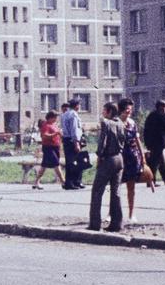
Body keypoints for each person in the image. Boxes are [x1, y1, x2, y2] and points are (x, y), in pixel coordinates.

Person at [87, 101, 126, 232]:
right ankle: (117, 223)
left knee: (97, 190)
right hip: (119, 158)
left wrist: (99, 156)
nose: (103, 113)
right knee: (116, 192)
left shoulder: (106, 123)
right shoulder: (121, 123)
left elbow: (102, 143)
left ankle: (95, 223)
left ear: (109, 111)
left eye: (104, 110)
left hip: (108, 159)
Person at [118, 97, 154, 222]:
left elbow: (137, 139)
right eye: (127, 109)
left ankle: (131, 214)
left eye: (130, 109)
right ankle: (112, 213)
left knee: (131, 186)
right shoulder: (116, 122)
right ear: (121, 109)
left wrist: (142, 154)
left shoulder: (132, 123)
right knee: (115, 186)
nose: (129, 112)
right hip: (119, 156)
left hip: (132, 157)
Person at [141, 99, 165, 185]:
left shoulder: (151, 115)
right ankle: (151, 181)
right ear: (161, 108)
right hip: (157, 143)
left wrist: (146, 143)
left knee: (161, 162)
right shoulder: (161, 117)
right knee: (154, 163)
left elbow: (145, 130)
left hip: (150, 143)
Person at [33, 110, 63, 188]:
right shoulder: (46, 125)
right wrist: (55, 133)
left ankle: (36, 182)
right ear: (50, 117)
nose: (56, 118)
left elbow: (58, 134)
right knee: (56, 163)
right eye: (55, 117)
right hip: (48, 147)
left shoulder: (54, 125)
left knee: (44, 165)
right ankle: (63, 181)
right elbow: (44, 135)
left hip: (55, 146)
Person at [59, 99, 86, 189]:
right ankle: (71, 182)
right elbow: (74, 129)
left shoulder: (64, 114)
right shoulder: (73, 115)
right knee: (75, 162)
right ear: (76, 105)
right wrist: (76, 143)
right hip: (73, 140)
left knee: (71, 162)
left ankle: (74, 182)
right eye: (79, 105)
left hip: (67, 140)